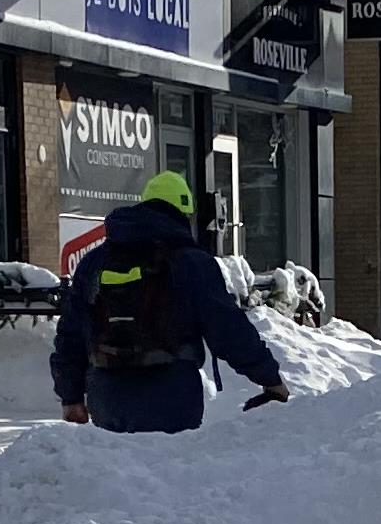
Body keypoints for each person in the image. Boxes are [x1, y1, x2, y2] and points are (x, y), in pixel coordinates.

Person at [53, 170, 288, 432]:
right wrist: (269, 377)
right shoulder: (191, 262)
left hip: (107, 396)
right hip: (172, 396)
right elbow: (227, 327)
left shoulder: (94, 262)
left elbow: (71, 333)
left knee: (116, 470)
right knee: (169, 470)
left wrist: (71, 396)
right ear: (182, 214)